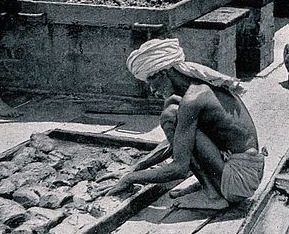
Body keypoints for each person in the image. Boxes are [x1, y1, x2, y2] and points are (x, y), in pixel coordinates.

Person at [108, 38, 265, 211]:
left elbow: (179, 169)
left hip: (240, 181)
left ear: (162, 74)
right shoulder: (199, 89)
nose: (152, 90)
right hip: (250, 174)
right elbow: (175, 143)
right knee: (173, 112)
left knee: (170, 114)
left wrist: (131, 179)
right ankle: (211, 187)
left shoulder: (193, 100)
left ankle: (213, 196)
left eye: (150, 82)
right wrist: (134, 169)